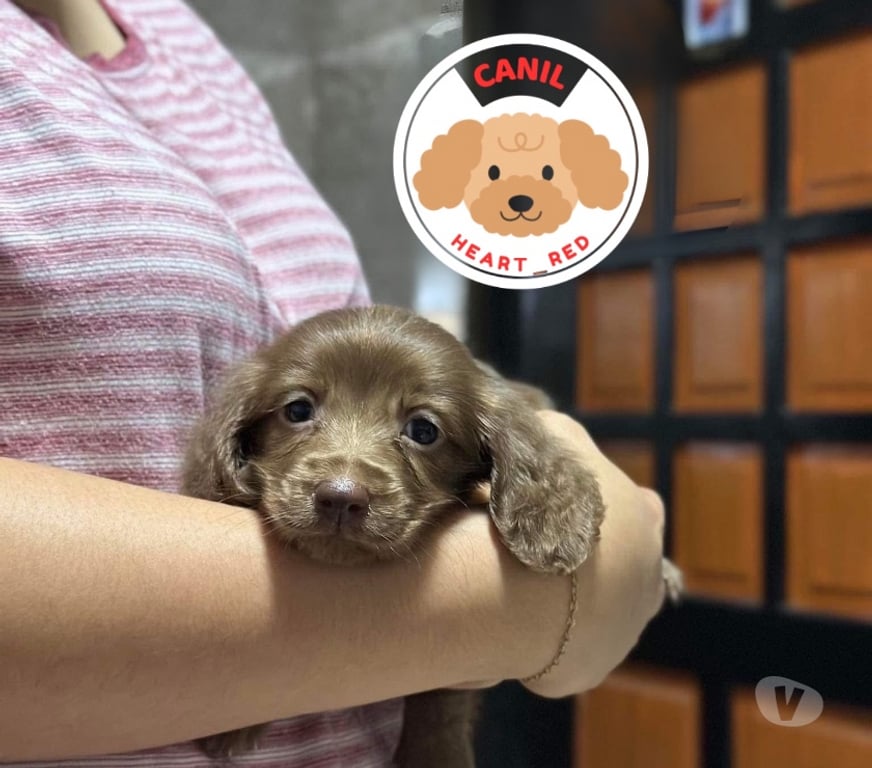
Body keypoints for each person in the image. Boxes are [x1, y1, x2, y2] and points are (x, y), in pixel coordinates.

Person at [0, 0, 667, 764]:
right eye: (299, 412)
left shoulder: (177, 32)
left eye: (418, 430)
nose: (346, 479)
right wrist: (537, 605)